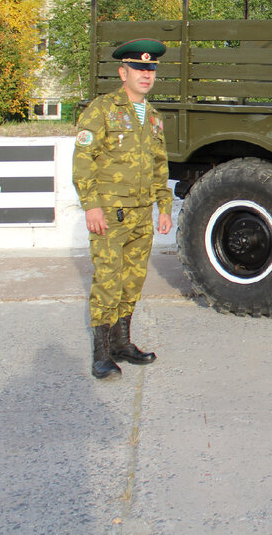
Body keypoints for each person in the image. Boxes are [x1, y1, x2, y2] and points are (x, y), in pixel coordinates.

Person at [73, 38, 174, 380]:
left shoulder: (155, 118)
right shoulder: (102, 109)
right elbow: (83, 159)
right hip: (110, 214)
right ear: (123, 72)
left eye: (151, 69)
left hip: (142, 214)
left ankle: (122, 344)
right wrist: (91, 206)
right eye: (139, 69)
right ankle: (100, 354)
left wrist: (164, 206)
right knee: (108, 281)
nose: (146, 75)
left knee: (132, 281)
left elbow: (160, 165)